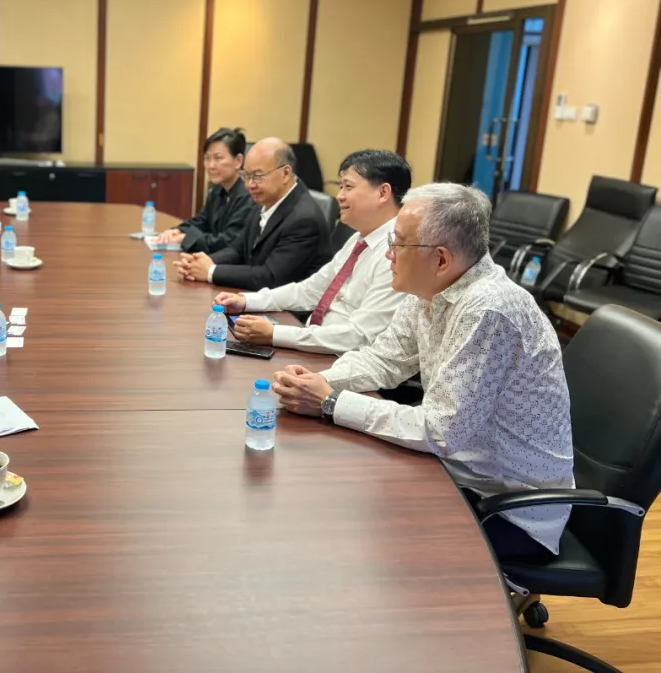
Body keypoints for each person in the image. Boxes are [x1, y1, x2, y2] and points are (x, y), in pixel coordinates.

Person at [271, 183, 574, 560]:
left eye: (398, 242)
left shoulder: (488, 310)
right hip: (458, 471)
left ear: (441, 259)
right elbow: (384, 359)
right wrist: (318, 382)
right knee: (336, 500)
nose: (388, 253)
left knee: (350, 535)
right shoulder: (433, 287)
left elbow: (439, 431)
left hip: (509, 508)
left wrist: (331, 402)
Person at [215, 149, 409, 355]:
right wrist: (247, 301)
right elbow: (309, 290)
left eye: (348, 187)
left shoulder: (397, 253)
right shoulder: (359, 239)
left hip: (340, 358)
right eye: (340, 187)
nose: (339, 196)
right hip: (314, 344)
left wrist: (275, 334)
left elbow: (358, 336)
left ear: (383, 193)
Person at [175, 137, 331, 291]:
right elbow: (238, 249)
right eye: (246, 176)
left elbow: (271, 277)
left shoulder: (304, 220)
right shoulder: (265, 200)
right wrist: (201, 262)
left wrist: (211, 271)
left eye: (257, 176)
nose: (250, 185)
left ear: (285, 173)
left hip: (290, 306)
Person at [156, 127, 255, 253]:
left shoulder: (248, 196)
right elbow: (201, 221)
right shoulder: (217, 189)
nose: (211, 165)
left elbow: (228, 241)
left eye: (218, 158)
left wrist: (185, 239)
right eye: (207, 158)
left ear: (238, 161)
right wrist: (177, 230)